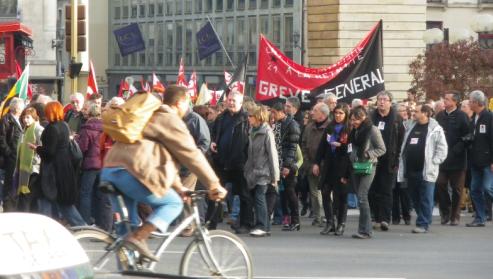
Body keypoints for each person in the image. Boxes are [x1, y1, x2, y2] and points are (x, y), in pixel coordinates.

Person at [102, 86, 227, 261]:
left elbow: (163, 159)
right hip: (131, 172)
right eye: (187, 102)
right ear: (180, 102)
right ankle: (138, 238)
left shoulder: (148, 114)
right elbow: (191, 153)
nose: (188, 106)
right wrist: (214, 184)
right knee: (174, 204)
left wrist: (178, 186)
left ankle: (127, 264)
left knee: (127, 230)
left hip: (110, 169)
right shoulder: (169, 119)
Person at [31, 101, 86, 226]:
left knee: (48, 197)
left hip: (53, 170)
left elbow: (50, 152)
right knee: (61, 202)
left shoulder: (52, 128)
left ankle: (47, 227)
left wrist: (37, 148)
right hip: (64, 167)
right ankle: (82, 227)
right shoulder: (64, 125)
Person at [397, 104, 448, 233]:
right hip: (410, 169)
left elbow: (442, 148)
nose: (413, 113)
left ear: (425, 113)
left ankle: (423, 223)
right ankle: (424, 217)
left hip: (426, 170)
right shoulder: (411, 126)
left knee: (426, 197)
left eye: (417, 111)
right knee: (414, 197)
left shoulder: (435, 129)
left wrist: (435, 162)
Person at [210, 90, 251, 233]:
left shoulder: (246, 119)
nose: (231, 102)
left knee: (244, 195)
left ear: (241, 103)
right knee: (215, 193)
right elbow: (214, 134)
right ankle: (211, 223)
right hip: (221, 162)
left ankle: (245, 224)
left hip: (240, 164)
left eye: (234, 100)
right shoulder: (221, 118)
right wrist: (213, 143)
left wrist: (246, 160)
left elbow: (249, 141)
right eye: (229, 100)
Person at [313, 103, 351, 236]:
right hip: (329, 165)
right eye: (336, 113)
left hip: (343, 165)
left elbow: (350, 150)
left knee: (341, 196)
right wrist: (316, 163)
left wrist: (340, 145)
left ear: (346, 114)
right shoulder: (330, 127)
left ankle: (341, 223)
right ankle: (330, 222)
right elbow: (322, 146)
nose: (338, 115)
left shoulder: (349, 128)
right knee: (325, 192)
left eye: (341, 113)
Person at [348, 106, 386, 239]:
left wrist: (368, 153)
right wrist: (351, 155)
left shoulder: (372, 130)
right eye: (352, 120)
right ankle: (362, 229)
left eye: (355, 120)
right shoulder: (355, 130)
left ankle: (366, 230)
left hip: (369, 165)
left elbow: (382, 149)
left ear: (363, 117)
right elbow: (352, 145)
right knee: (361, 198)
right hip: (357, 165)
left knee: (362, 197)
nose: (353, 122)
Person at [369, 91, 404, 231]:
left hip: (389, 160)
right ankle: (376, 217)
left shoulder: (397, 119)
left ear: (390, 102)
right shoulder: (371, 117)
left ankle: (384, 219)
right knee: (373, 190)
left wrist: (397, 159)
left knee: (386, 190)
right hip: (372, 158)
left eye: (385, 99)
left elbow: (401, 140)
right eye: (379, 99)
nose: (382, 102)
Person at [435, 91, 470, 226]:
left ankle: (455, 216)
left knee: (457, 189)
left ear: (455, 102)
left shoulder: (462, 116)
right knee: (440, 184)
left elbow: (468, 137)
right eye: (444, 99)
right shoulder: (439, 116)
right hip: (441, 159)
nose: (445, 101)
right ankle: (445, 212)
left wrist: (457, 149)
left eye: (448, 99)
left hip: (457, 159)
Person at [244, 105, 279, 237]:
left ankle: (262, 226)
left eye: (250, 116)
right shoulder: (252, 130)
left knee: (260, 197)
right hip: (253, 171)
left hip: (264, 172)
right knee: (257, 198)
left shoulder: (267, 132)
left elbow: (272, 155)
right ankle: (265, 226)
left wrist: (275, 177)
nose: (248, 118)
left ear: (258, 118)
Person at [76, 103, 112, 231]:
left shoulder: (86, 129)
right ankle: (101, 222)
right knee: (101, 194)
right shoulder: (106, 128)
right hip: (103, 164)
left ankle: (85, 221)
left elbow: (82, 148)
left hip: (90, 165)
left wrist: (77, 140)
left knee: (85, 193)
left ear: (89, 114)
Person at [271, 102, 302, 231]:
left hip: (287, 164)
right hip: (278, 162)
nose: (272, 115)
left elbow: (292, 147)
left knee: (290, 192)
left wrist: (287, 166)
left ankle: (296, 220)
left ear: (281, 112)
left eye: (274, 113)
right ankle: (287, 219)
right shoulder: (277, 124)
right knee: (283, 194)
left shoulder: (292, 124)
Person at [465, 90, 493, 227]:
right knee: (475, 190)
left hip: (487, 161)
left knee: (488, 188)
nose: (469, 103)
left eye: (470, 101)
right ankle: (480, 217)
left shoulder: (489, 117)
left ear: (476, 102)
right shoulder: (474, 118)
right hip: (475, 161)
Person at [301, 103, 330, 227]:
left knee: (327, 192)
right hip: (311, 164)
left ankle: (328, 216)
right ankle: (318, 217)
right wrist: (310, 164)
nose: (312, 112)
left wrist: (320, 164)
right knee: (313, 193)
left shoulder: (330, 127)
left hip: (326, 165)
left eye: (315, 110)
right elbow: (303, 145)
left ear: (323, 114)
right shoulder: (309, 127)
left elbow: (330, 149)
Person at [16, 107, 44, 212]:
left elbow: (42, 147)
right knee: (25, 196)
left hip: (34, 169)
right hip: (24, 169)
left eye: (28, 117)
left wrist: (35, 160)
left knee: (29, 196)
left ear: (34, 117)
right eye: (24, 117)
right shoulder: (24, 130)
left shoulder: (38, 129)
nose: (25, 120)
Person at [0, 97, 25, 211]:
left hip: (16, 157)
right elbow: (2, 139)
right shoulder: (6, 119)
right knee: (9, 184)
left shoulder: (19, 120)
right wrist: (9, 153)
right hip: (10, 158)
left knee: (13, 183)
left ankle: (12, 206)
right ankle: (8, 208)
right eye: (21, 107)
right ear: (16, 108)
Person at [392, 103, 412, 225]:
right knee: (394, 190)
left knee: (404, 191)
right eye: (400, 111)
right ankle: (395, 216)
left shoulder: (411, 125)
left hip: (405, 161)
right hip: (395, 160)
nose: (403, 112)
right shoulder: (394, 125)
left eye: (405, 110)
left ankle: (407, 215)